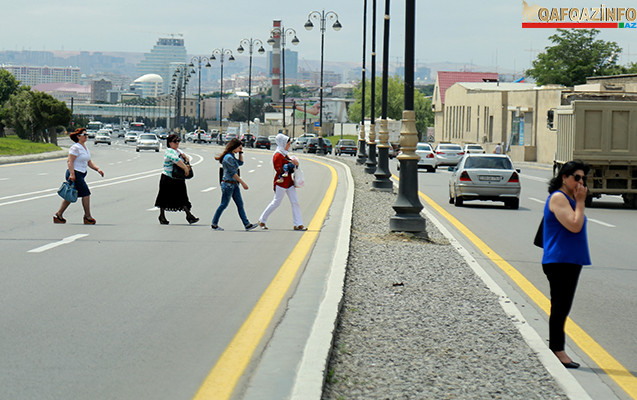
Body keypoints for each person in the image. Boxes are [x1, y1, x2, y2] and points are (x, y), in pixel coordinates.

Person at [542, 160, 591, 369]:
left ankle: (556, 347)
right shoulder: (559, 198)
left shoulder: (570, 198)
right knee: (560, 306)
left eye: (583, 178)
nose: (580, 182)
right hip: (560, 261)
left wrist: (578, 201)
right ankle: (557, 349)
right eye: (576, 177)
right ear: (564, 178)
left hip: (571, 260)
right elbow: (574, 225)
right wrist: (580, 202)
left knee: (564, 306)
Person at [53, 128, 104, 224]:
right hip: (75, 173)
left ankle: (58, 214)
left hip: (80, 173)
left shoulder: (84, 147)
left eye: (86, 134)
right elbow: (70, 161)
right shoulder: (75, 147)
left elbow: (88, 161)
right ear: (78, 136)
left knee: (71, 194)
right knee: (86, 193)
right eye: (84, 134)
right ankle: (87, 217)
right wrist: (72, 174)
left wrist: (97, 169)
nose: (86, 136)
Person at [258, 133, 306, 231]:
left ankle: (298, 224)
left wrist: (294, 164)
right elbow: (278, 168)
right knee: (276, 202)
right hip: (281, 181)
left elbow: (290, 165)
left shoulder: (284, 153)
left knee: (295, 202)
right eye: (288, 144)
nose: (289, 146)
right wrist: (288, 167)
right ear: (282, 143)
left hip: (289, 182)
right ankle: (262, 219)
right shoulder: (278, 155)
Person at [211, 138, 258, 231]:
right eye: (239, 148)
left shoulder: (232, 156)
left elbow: (240, 163)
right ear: (234, 147)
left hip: (233, 184)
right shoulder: (228, 158)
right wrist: (243, 183)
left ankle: (247, 224)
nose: (240, 149)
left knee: (240, 204)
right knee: (224, 204)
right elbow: (233, 173)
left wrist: (241, 153)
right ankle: (214, 223)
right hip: (228, 184)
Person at [154, 134, 199, 225]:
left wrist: (186, 158)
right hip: (168, 178)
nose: (177, 143)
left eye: (178, 141)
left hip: (178, 178)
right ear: (169, 143)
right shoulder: (169, 151)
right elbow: (175, 160)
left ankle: (189, 215)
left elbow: (185, 159)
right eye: (175, 141)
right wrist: (185, 168)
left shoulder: (179, 151)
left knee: (182, 197)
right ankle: (162, 216)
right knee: (164, 198)